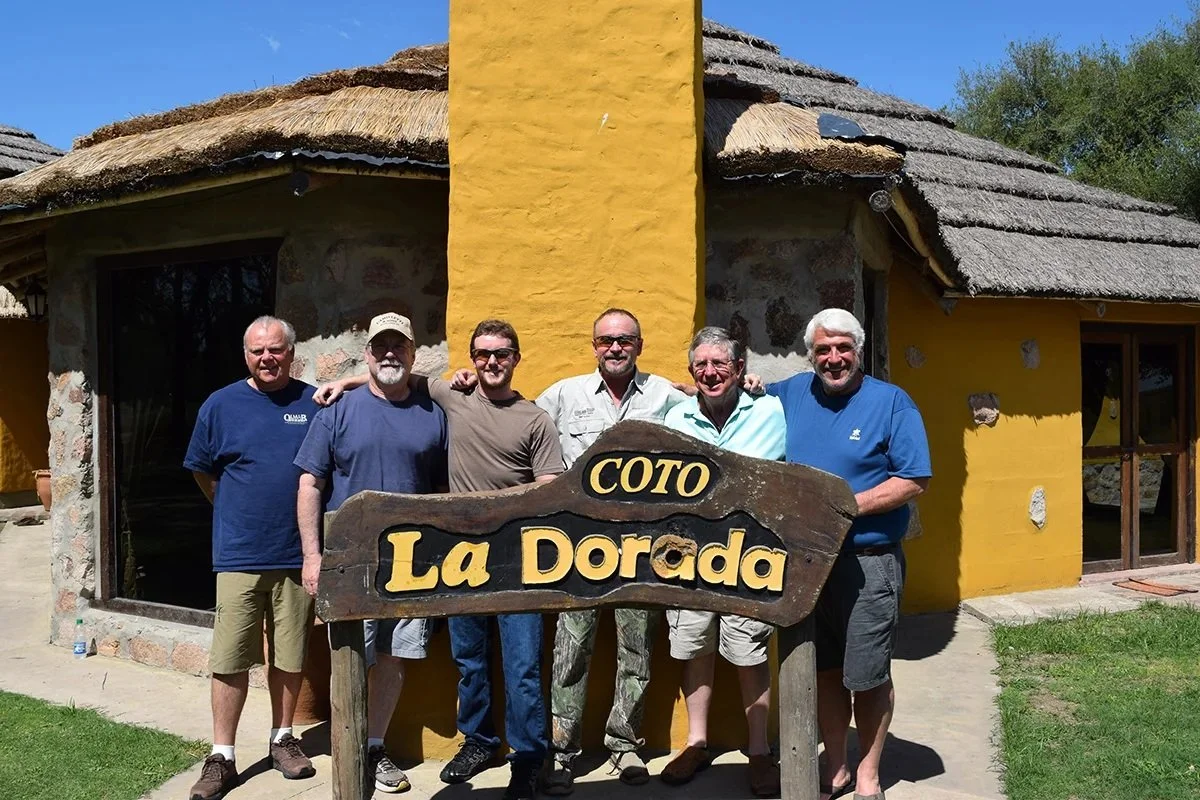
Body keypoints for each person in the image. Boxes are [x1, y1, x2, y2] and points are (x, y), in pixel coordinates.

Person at [318, 318, 564, 800]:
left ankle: (529, 757)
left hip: (520, 560)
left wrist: (500, 504)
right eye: (483, 354)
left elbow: (552, 485)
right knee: (468, 659)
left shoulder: (533, 418)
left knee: (523, 664)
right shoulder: (451, 395)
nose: (491, 362)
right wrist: (342, 382)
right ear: (472, 359)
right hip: (459, 559)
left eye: (501, 353)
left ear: (516, 358)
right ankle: (479, 741)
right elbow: (392, 377)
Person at [765, 308, 931, 800]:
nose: (833, 359)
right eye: (823, 350)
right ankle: (834, 767)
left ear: (858, 351)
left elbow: (913, 479)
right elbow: (736, 402)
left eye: (842, 349)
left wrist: (842, 509)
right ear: (810, 354)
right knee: (825, 670)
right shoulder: (791, 392)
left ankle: (868, 774)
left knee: (868, 672)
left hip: (868, 561)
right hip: (806, 564)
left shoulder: (892, 402)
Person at [294, 312, 448, 794]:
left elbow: (442, 491)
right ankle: (348, 744)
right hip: (349, 561)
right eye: (380, 346)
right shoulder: (337, 412)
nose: (389, 354)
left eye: (398, 346)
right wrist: (312, 557)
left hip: (412, 563)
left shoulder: (433, 414)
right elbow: (309, 483)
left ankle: (374, 746)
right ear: (367, 353)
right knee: (350, 658)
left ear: (412, 353)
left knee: (395, 657)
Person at [533, 308, 686, 793]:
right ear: (593, 345)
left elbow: (708, 405)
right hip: (575, 548)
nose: (615, 348)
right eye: (605, 340)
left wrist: (749, 385)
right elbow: (518, 426)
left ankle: (624, 744)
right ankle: (562, 753)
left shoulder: (663, 394)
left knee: (637, 651)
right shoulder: (562, 395)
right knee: (570, 651)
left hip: (644, 549)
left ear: (639, 345)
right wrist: (463, 384)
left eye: (624, 340)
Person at [182, 316, 319, 800]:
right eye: (258, 351)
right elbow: (203, 471)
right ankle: (223, 755)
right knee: (230, 656)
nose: (268, 358)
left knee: (289, 653)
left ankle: (283, 739)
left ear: (291, 352)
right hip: (240, 553)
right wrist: (235, 510)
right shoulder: (220, 405)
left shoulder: (314, 401)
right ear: (246, 355)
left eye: (276, 350)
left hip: (296, 554)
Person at [659, 326, 786, 799]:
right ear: (691, 371)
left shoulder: (773, 410)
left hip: (751, 557)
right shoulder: (677, 415)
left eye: (721, 364)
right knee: (694, 647)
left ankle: (758, 750)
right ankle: (696, 742)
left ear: (740, 369)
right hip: (690, 556)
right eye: (702, 365)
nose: (710, 372)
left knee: (748, 649)